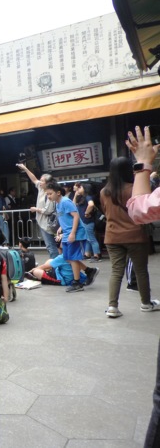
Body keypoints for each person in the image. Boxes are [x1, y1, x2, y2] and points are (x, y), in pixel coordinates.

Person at [124, 125, 160, 448]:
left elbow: (138, 208)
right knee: (138, 272)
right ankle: (145, 301)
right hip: (132, 241)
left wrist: (144, 165)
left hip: (120, 239)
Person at [100, 156, 157, 318]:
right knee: (141, 271)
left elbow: (105, 212)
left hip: (112, 236)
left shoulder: (104, 192)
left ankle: (112, 307)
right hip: (135, 236)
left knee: (116, 271)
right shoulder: (134, 189)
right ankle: (146, 303)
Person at [45, 181, 94, 293]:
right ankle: (89, 271)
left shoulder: (65, 202)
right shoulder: (57, 203)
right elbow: (65, 217)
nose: (48, 196)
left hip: (75, 234)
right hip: (67, 233)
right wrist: (61, 228)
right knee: (67, 257)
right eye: (47, 194)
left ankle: (77, 283)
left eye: (50, 193)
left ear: (58, 193)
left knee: (72, 258)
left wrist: (72, 233)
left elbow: (76, 216)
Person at [16, 163, 60, 259]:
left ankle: (55, 265)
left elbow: (48, 210)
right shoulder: (41, 188)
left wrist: (35, 209)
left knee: (51, 246)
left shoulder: (50, 193)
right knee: (51, 246)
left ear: (48, 183)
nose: (40, 182)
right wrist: (25, 168)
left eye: (42, 180)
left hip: (47, 224)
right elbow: (34, 179)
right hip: (42, 222)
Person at [73, 183, 102, 262]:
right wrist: (75, 195)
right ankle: (87, 254)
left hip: (88, 221)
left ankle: (96, 255)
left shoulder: (88, 197)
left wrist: (86, 213)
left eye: (81, 187)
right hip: (85, 221)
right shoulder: (83, 197)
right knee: (88, 238)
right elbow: (73, 205)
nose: (79, 189)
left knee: (91, 238)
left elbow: (91, 205)